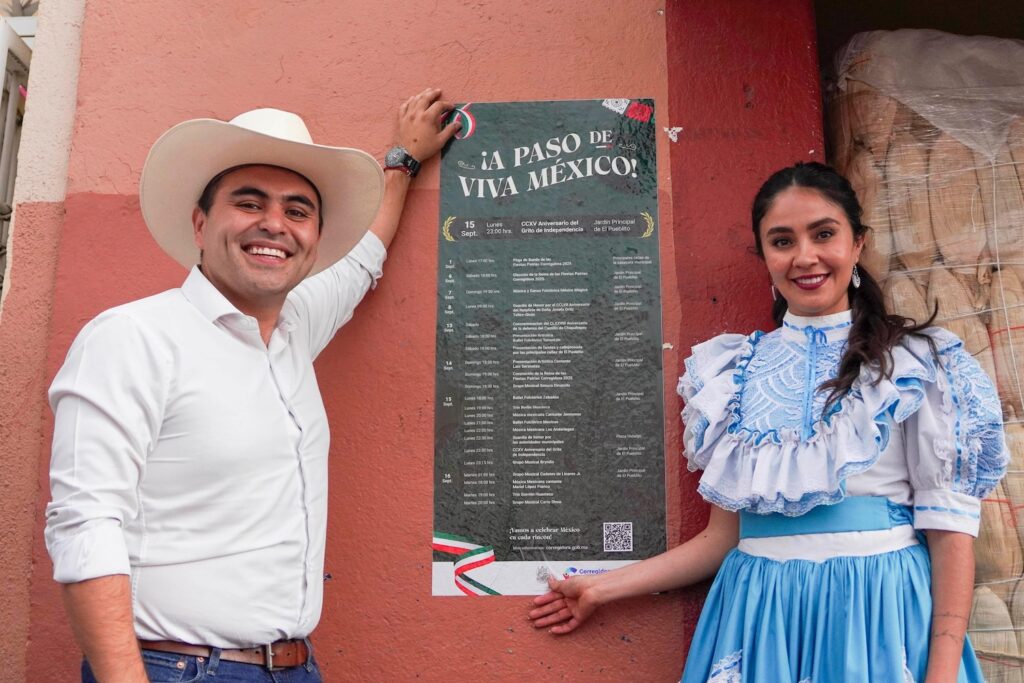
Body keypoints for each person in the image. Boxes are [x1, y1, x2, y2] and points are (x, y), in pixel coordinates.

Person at [529, 162, 1008, 682]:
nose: (804, 256)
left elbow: (950, 534)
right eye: (782, 241)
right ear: (764, 256)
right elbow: (721, 540)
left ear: (857, 244)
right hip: (760, 614)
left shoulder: (913, 364)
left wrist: (941, 673)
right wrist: (600, 588)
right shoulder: (732, 374)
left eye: (823, 234)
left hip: (878, 612)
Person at [45, 89, 460, 683]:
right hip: (177, 668)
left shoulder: (296, 328)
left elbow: (361, 261)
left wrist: (402, 164)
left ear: (315, 238)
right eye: (249, 202)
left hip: (295, 666)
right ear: (200, 223)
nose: (274, 224)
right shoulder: (133, 337)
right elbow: (85, 524)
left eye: (298, 211)